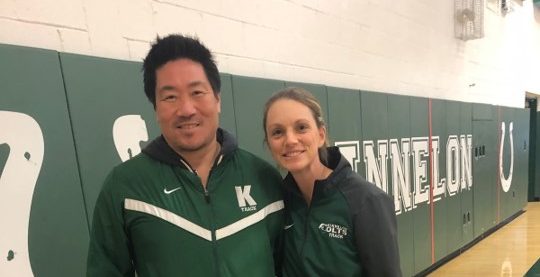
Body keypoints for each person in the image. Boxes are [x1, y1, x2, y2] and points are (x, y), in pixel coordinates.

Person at [87, 34, 285, 277]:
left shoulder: (263, 178)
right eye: (170, 97)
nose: (187, 109)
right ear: (155, 108)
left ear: (217, 99)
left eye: (197, 92)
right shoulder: (125, 186)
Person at [263, 87, 402, 277]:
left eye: (301, 127)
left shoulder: (366, 201)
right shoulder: (278, 201)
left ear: (321, 135)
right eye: (278, 132)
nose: (290, 140)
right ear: (269, 144)